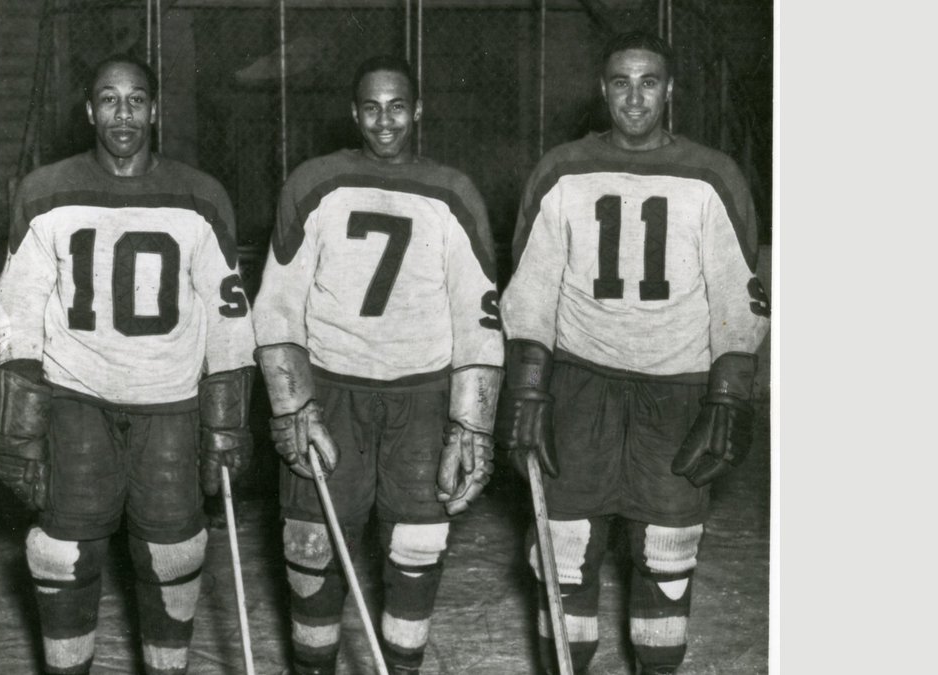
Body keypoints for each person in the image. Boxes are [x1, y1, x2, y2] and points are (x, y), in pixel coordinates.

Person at [496, 31, 771, 675]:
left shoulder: (711, 174)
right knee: (563, 553)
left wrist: (730, 393)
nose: (634, 96)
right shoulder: (562, 169)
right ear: (602, 89)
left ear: (669, 89)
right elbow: (531, 285)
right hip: (580, 382)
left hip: (676, 388)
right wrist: (528, 388)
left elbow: (739, 292)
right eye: (621, 82)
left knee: (667, 555)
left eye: (649, 81)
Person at [0, 54, 256, 675]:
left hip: (170, 402)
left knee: (172, 556)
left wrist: (226, 421)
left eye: (136, 100)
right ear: (89, 111)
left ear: (155, 110)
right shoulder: (46, 190)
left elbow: (229, 318)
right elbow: (17, 306)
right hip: (76, 395)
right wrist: (21, 420)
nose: (123, 113)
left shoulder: (200, 195)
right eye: (109, 100)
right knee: (62, 554)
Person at [251, 55, 504, 675]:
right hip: (332, 390)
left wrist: (472, 424)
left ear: (417, 110)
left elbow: (479, 312)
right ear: (353, 111)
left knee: (417, 547)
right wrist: (292, 403)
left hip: (421, 394)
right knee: (312, 546)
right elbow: (278, 303)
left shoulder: (452, 190)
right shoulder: (315, 182)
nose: (384, 120)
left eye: (397, 106)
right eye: (371, 107)